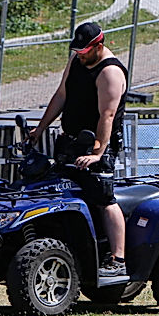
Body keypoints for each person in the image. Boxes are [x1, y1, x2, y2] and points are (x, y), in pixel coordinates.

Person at [29, 21, 129, 285]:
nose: (81, 55)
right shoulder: (76, 60)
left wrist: (98, 153)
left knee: (103, 197)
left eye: (85, 51)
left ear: (99, 45)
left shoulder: (110, 72)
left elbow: (106, 116)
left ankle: (118, 259)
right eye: (78, 50)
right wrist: (40, 128)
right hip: (70, 141)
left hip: (99, 144)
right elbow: (61, 94)